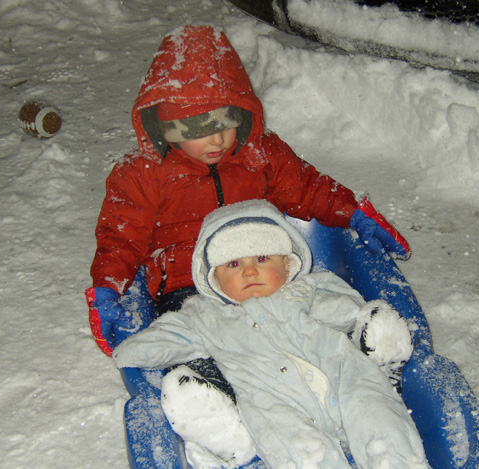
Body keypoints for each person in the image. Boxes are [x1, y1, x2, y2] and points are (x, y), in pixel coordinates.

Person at [86, 24, 410, 365]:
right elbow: (120, 237)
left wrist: (354, 214)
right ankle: (207, 390)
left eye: (227, 122)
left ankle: (352, 357)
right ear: (165, 127)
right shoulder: (142, 173)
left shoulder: (261, 152)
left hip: (264, 271)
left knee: (305, 315)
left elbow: (308, 187)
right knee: (198, 339)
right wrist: (107, 289)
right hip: (188, 283)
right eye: (197, 129)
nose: (217, 140)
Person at [113, 200, 427, 469]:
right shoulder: (205, 317)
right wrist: (131, 348)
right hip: (274, 402)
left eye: (262, 259)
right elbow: (170, 336)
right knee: (301, 449)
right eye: (234, 264)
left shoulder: (307, 288)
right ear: (215, 280)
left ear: (287, 265)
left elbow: (347, 309)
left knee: (376, 411)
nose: (249, 271)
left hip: (342, 375)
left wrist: (359, 320)